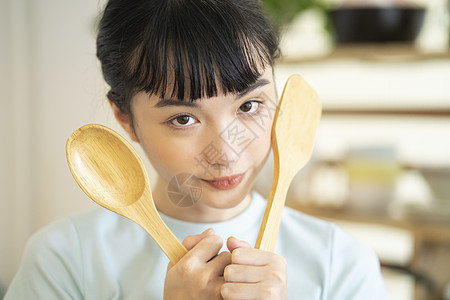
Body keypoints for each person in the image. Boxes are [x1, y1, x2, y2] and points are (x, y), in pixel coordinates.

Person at [5, 0, 388, 299]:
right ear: (125, 120)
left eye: (249, 106)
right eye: (183, 119)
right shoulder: (64, 260)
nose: (226, 154)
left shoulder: (341, 262)